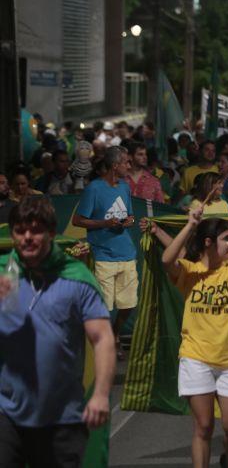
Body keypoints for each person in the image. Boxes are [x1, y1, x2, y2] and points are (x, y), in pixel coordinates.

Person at [0, 197, 115, 468]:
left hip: (61, 418)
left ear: (51, 233)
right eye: (20, 230)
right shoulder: (6, 271)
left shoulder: (75, 277)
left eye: (36, 230)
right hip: (7, 413)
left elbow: (102, 339)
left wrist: (100, 394)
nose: (27, 237)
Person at [160, 206, 228, 468]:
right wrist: (190, 225)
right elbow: (166, 260)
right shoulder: (188, 271)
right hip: (196, 358)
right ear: (209, 242)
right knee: (204, 426)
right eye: (226, 239)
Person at [72, 146, 138, 360]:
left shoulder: (125, 188)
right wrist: (104, 223)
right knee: (104, 307)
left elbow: (129, 216)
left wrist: (128, 221)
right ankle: (103, 345)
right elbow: (78, 220)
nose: (129, 166)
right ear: (114, 165)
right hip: (103, 255)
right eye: (126, 162)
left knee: (129, 304)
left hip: (127, 253)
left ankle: (115, 334)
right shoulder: (94, 188)